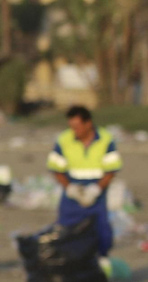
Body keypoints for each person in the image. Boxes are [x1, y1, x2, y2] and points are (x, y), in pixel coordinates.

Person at [48, 105, 122, 262]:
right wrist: (70, 188)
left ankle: (102, 261)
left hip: (97, 191)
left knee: (102, 231)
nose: (74, 131)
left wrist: (95, 189)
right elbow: (56, 169)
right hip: (72, 190)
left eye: (77, 127)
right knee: (66, 230)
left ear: (88, 123)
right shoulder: (63, 140)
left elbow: (111, 170)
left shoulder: (106, 139)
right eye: (71, 127)